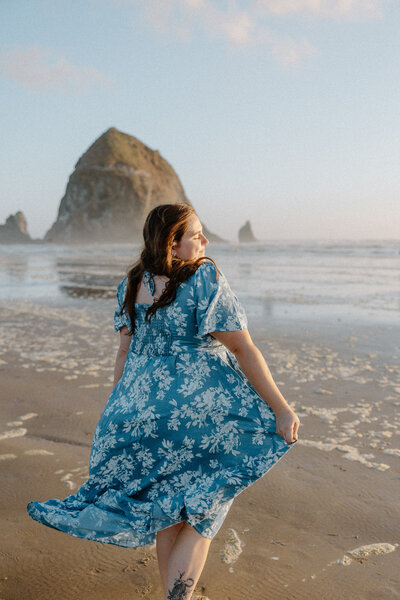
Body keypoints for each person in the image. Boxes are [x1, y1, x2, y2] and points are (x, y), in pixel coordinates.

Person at [27, 203, 300, 600]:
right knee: (204, 509)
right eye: (197, 235)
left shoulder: (130, 284)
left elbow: (124, 353)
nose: (205, 242)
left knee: (167, 510)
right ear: (173, 243)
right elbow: (243, 348)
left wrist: (117, 411)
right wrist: (281, 407)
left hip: (139, 415)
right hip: (198, 414)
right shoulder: (203, 277)